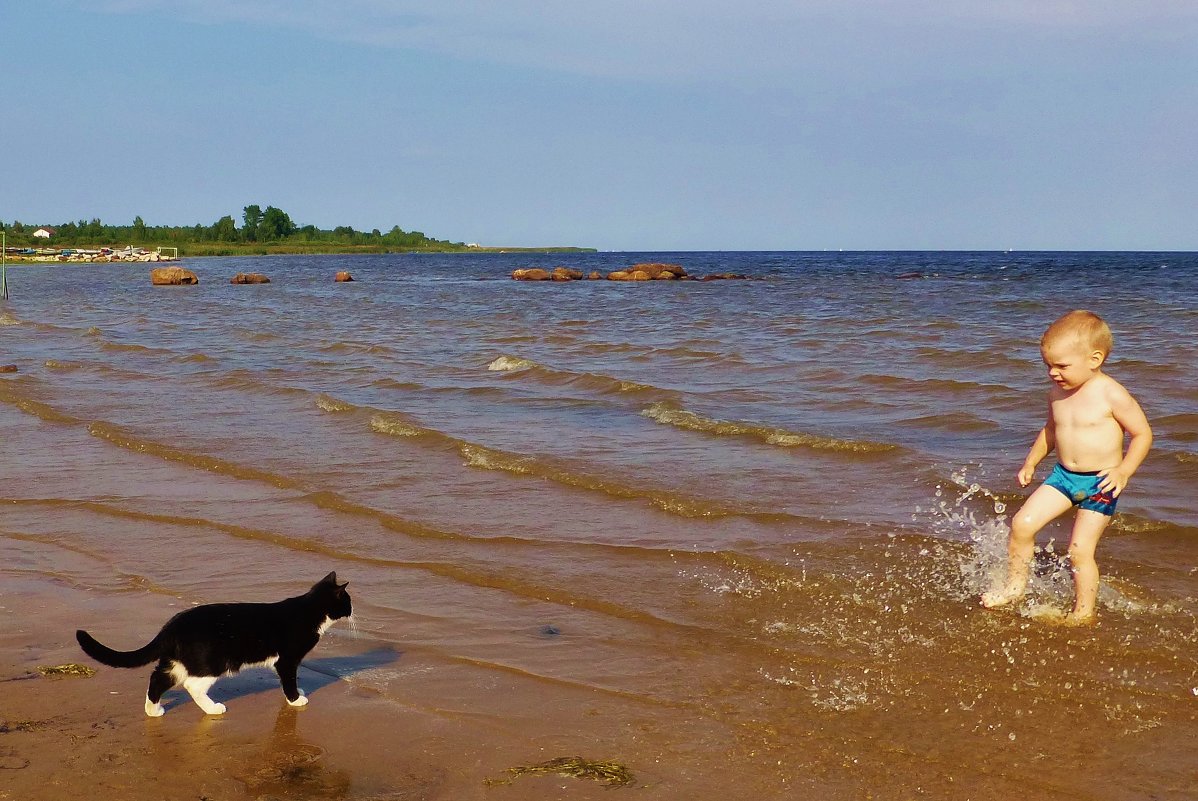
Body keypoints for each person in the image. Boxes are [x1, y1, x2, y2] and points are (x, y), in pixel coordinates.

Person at [981, 310, 1152, 623]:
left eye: (1061, 366)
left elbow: (1143, 433)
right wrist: (1031, 462)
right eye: (1048, 365)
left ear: (1094, 359)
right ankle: (1014, 586)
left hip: (1101, 483)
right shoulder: (1056, 393)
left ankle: (1082, 612)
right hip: (1062, 476)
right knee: (1022, 524)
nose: (1053, 373)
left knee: (1078, 550)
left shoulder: (1110, 393)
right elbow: (1050, 430)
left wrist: (1124, 470)